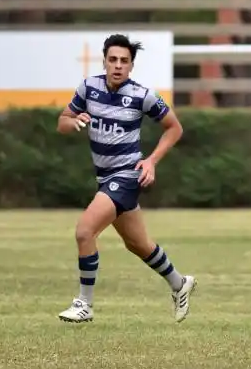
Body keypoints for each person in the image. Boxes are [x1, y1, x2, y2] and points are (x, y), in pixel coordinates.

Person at [55, 34, 196, 324]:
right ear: (104, 61)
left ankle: (85, 303)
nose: (118, 66)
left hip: (127, 176)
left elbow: (174, 128)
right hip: (105, 178)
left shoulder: (142, 95)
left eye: (124, 61)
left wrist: (152, 161)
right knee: (138, 244)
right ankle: (179, 283)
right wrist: (74, 121)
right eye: (113, 60)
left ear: (131, 66)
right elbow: (62, 122)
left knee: (84, 231)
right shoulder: (88, 87)